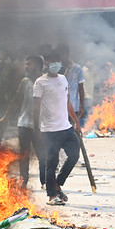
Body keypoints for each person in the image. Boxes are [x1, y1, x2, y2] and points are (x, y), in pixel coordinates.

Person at [33, 50, 80, 205]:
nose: (56, 64)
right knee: (51, 163)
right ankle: (52, 196)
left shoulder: (63, 79)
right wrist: (36, 129)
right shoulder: (40, 82)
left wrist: (76, 122)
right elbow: (36, 107)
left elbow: (67, 103)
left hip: (66, 127)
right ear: (46, 63)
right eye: (52, 61)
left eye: (57, 61)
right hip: (50, 130)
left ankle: (58, 183)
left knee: (74, 156)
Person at [0, 54, 45, 187]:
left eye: (29, 64)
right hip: (24, 124)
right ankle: (24, 182)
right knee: (24, 154)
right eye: (26, 64)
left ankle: (45, 181)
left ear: (39, 66)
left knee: (42, 154)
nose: (26, 66)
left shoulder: (46, 81)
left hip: (41, 125)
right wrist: (5, 118)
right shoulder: (25, 82)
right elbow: (16, 101)